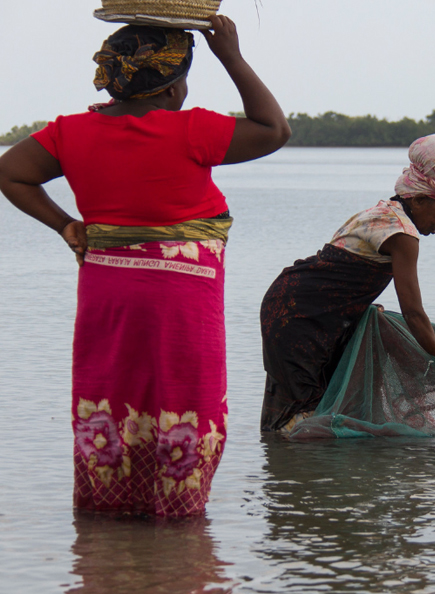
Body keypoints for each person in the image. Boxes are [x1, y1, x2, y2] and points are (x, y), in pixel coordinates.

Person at [0, 16, 291, 515]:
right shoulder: (191, 129)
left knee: (111, 389)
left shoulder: (71, 132)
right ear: (174, 87)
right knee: (183, 396)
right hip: (180, 299)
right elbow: (274, 129)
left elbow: (10, 172)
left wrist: (66, 225)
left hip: (105, 292)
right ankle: (178, 529)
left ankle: (108, 523)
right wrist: (231, 56)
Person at [260, 134, 435, 433]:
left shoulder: (382, 212)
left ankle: (285, 470)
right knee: (302, 415)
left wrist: (360, 304)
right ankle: (298, 471)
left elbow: (342, 274)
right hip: (300, 318)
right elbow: (413, 313)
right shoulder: (402, 235)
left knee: (298, 407)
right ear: (421, 199)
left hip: (292, 303)